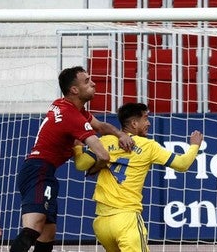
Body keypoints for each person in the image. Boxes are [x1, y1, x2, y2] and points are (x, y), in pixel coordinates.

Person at [10, 66, 135, 252]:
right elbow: (104, 155)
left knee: (48, 234)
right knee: (33, 227)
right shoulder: (71, 116)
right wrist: (94, 168)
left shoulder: (65, 105)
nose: (93, 83)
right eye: (87, 81)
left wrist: (120, 134)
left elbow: (100, 126)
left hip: (44, 171)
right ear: (74, 90)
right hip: (38, 170)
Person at [73, 102, 203, 251]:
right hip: (127, 220)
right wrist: (194, 145)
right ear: (134, 123)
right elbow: (182, 164)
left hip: (102, 224)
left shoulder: (105, 141)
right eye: (145, 118)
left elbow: (81, 165)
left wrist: (77, 146)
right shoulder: (148, 146)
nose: (148, 123)